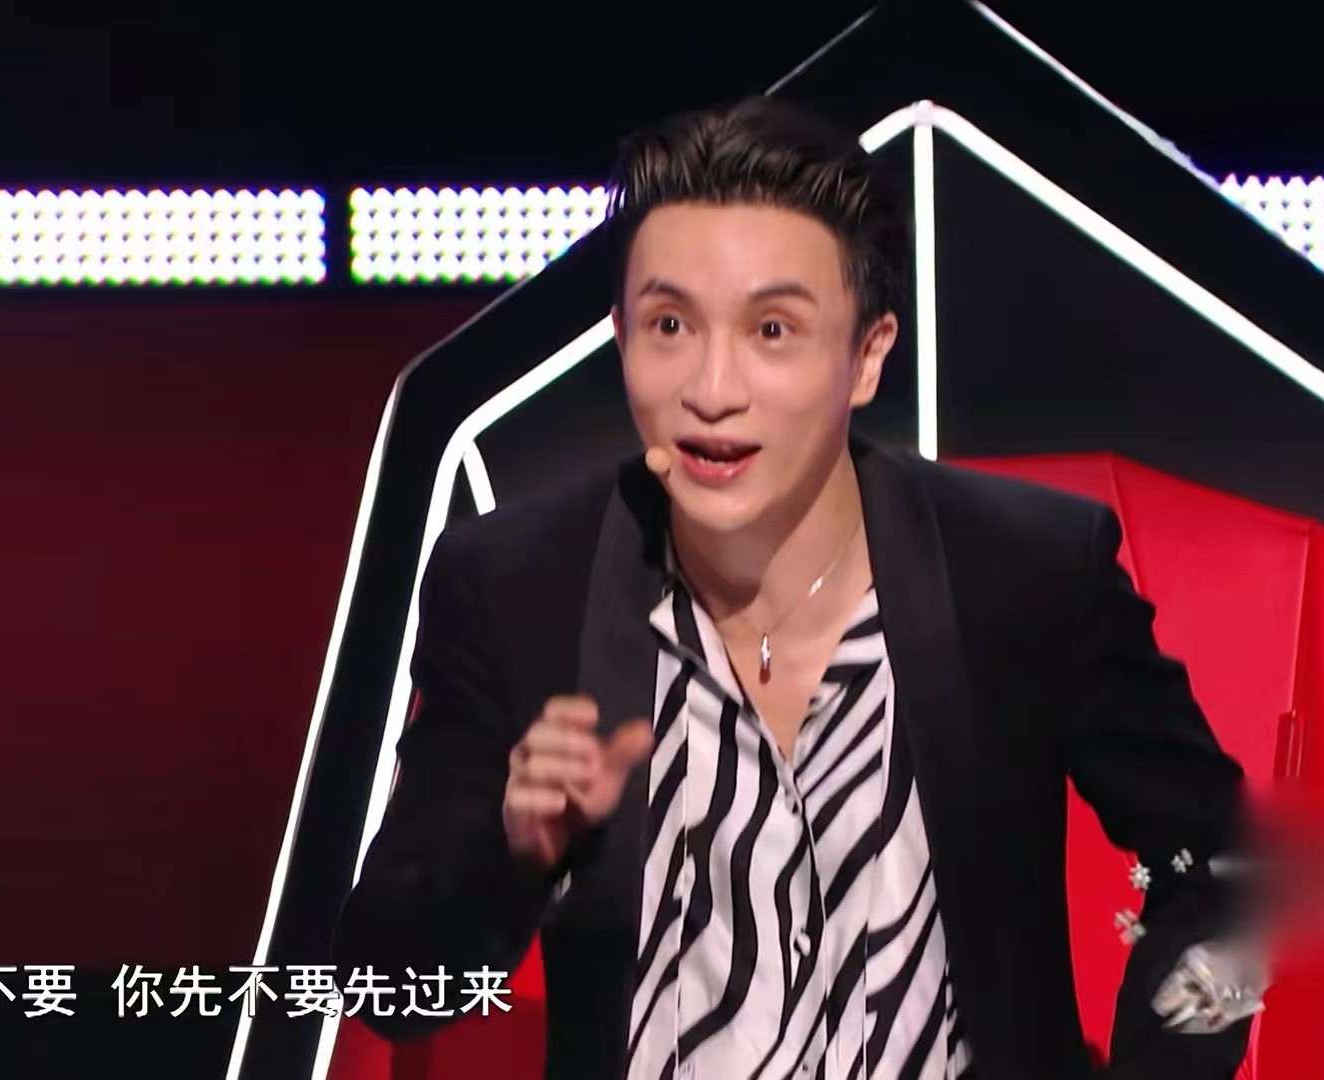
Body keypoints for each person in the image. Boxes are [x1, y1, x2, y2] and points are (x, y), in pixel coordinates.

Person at [333, 95, 1259, 1078]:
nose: (712, 389)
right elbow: (384, 982)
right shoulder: (517, 587)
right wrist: (515, 853)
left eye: (771, 330)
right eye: (669, 325)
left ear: (867, 356)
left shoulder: (1024, 574)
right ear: (620, 335)